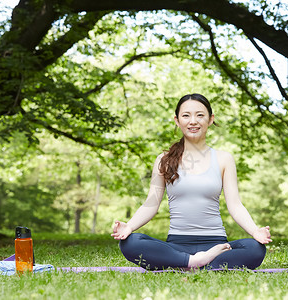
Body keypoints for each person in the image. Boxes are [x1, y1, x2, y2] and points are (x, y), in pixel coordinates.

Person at [111, 93, 272, 270]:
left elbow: (235, 205)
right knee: (130, 243)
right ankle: (194, 262)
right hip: (176, 245)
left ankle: (184, 264)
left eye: (200, 115)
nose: (193, 121)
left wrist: (255, 231)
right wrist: (129, 226)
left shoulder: (224, 159)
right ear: (177, 120)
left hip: (217, 246)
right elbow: (151, 204)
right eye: (186, 115)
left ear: (210, 120)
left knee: (255, 248)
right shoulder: (163, 160)